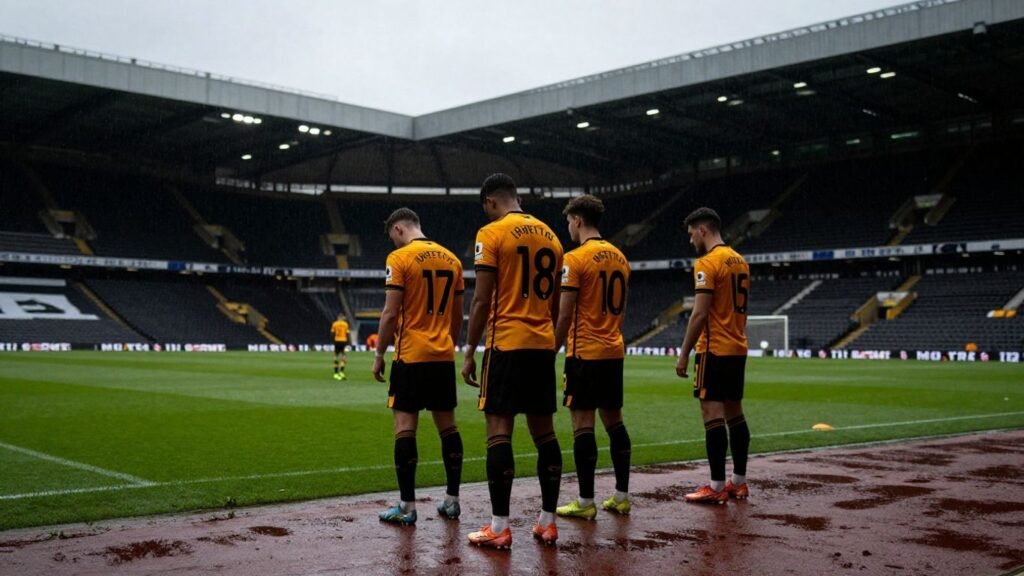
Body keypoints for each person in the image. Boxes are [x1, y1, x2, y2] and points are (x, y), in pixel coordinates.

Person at [462, 173, 564, 549]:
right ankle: (548, 523)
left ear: (490, 202)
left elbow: (481, 300)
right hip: (541, 345)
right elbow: (555, 304)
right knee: (545, 434)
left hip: (506, 343)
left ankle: (499, 527)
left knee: (499, 431)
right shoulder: (553, 237)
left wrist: (470, 351)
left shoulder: (491, 234)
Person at [372, 207, 465, 525]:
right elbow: (456, 316)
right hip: (442, 356)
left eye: (392, 238)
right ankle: (452, 501)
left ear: (398, 229)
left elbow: (390, 313)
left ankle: (407, 507)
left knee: (404, 428)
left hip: (411, 356)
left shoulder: (399, 259)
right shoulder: (452, 259)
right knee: (448, 428)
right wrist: (446, 345)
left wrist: (379, 353)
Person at [553, 194, 633, 520]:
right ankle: (621, 496)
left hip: (584, 353)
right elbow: (623, 311)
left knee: (582, 425)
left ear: (578, 220)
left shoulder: (576, 259)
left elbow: (565, 313)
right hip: (613, 349)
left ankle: (586, 502)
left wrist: (552, 351)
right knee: (615, 422)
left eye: (569, 222)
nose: (569, 228)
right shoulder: (620, 258)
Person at [675, 207, 751, 505]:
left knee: (712, 414)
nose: (691, 239)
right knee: (735, 413)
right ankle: (739, 482)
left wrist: (683, 354)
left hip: (714, 349)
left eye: (692, 233)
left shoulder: (707, 263)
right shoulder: (740, 261)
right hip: (737, 346)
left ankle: (717, 485)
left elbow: (700, 314)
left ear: (703, 230)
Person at [331, 313, 350, 380]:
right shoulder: (345, 324)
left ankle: (336, 374)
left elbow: (332, 333)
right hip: (343, 341)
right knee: (344, 356)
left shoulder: (335, 324)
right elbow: (347, 334)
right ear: (343, 317)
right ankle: (341, 372)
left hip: (337, 340)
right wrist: (348, 342)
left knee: (336, 356)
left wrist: (334, 341)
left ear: (338, 317)